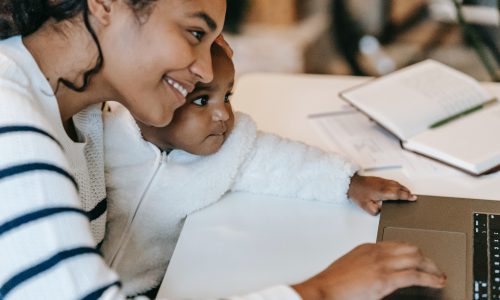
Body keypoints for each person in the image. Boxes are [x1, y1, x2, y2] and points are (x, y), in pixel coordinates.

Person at [0, 0, 445, 299]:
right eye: (194, 33)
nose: (203, 67)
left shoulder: (79, 113)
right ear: (103, 5)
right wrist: (319, 291)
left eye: (212, 43)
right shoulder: (13, 129)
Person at [101, 43, 425, 296]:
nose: (223, 115)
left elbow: (282, 162)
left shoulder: (227, 148)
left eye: (227, 96)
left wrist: (349, 182)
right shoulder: (105, 131)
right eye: (201, 101)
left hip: (156, 286)